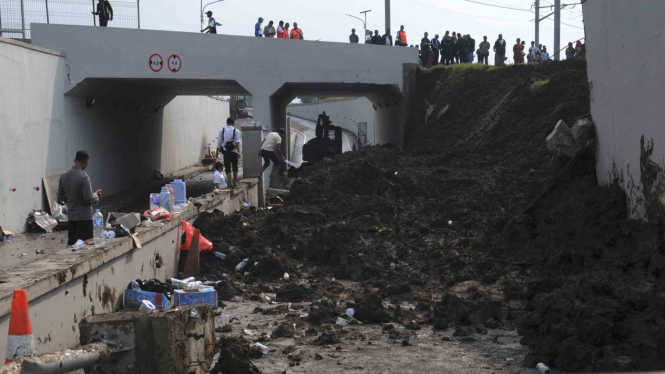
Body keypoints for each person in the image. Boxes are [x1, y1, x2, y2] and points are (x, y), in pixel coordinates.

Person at [57, 151, 102, 246]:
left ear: (74, 160)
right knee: (85, 245)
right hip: (84, 218)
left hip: (71, 217)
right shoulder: (84, 177)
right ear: (86, 162)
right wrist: (96, 195)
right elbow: (88, 198)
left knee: (72, 244)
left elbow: (60, 195)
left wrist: (71, 200)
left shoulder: (64, 176)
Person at [216, 118, 242, 189]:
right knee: (235, 167)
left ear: (227, 123)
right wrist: (239, 152)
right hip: (234, 151)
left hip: (226, 152)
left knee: (228, 168)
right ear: (233, 124)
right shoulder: (236, 130)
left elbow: (219, 142)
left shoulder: (222, 130)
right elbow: (237, 142)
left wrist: (216, 153)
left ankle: (230, 183)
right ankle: (235, 182)